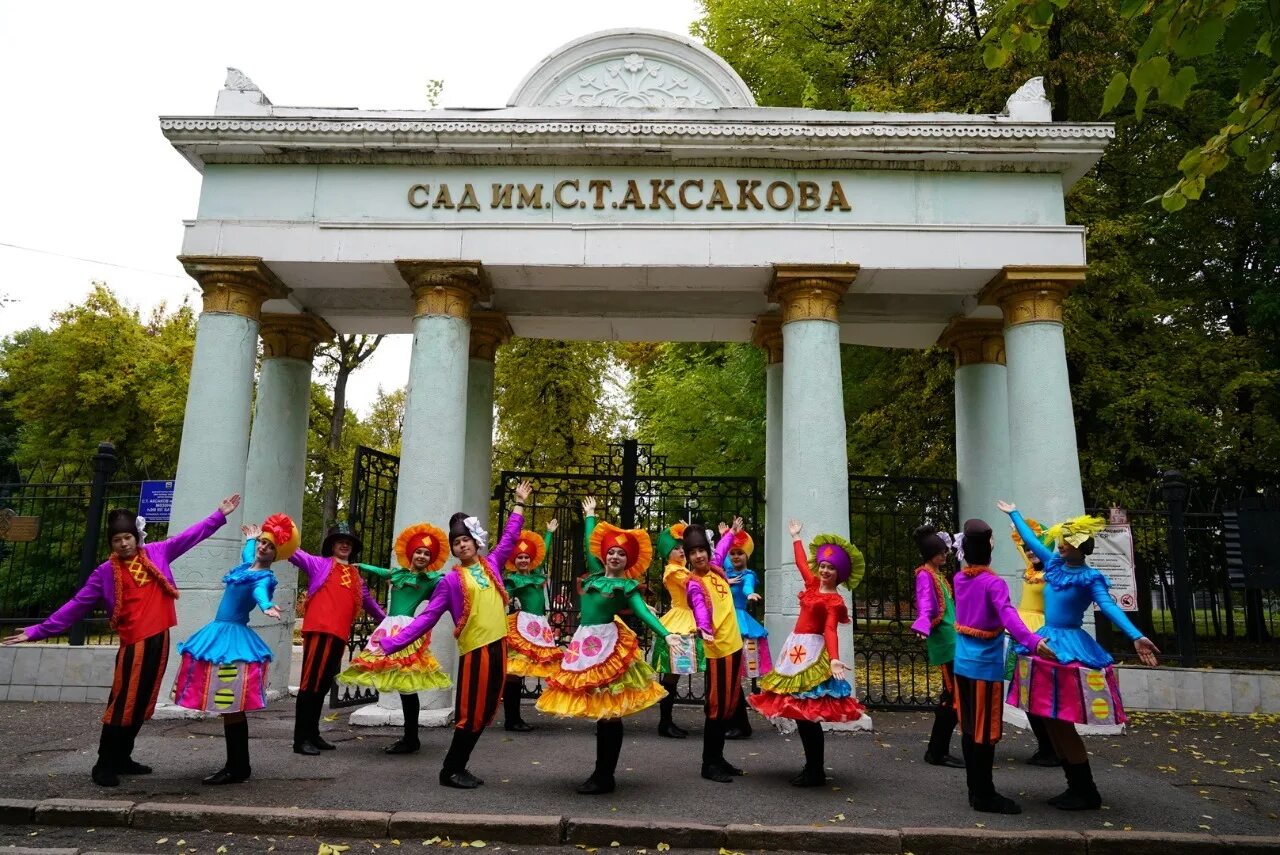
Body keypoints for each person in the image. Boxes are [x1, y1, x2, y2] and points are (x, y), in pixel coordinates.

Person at [4, 495, 240, 787]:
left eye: (127, 537)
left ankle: (123, 758)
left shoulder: (158, 552)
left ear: (136, 537)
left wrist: (218, 515)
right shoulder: (104, 573)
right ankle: (103, 764)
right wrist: (37, 630)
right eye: (117, 539)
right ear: (111, 543)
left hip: (159, 640)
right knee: (122, 704)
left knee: (143, 702)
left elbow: (190, 536)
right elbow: (77, 605)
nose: (124, 543)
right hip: (134, 646)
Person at [999, 501, 1161, 810]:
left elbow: (1110, 607)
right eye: (1059, 543)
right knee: (1048, 716)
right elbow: (1032, 541)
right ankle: (1075, 785)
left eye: (1064, 543)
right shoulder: (1054, 565)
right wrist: (1015, 513)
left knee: (1061, 720)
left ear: (1079, 547)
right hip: (1047, 640)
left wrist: (1136, 636)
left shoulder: (1091, 578)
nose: (1058, 547)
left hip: (1068, 646)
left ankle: (1085, 789)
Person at [375, 482, 532, 789]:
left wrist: (519, 504)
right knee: (470, 712)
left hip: (500, 647)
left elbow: (511, 536)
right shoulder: (449, 581)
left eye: (466, 539)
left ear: (475, 541)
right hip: (476, 652)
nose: (461, 545)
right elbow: (427, 618)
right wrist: (393, 643)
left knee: (487, 712)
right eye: (456, 542)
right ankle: (451, 769)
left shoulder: (493, 566)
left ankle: (458, 766)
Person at [535, 498, 676, 794]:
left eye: (620, 554)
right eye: (611, 552)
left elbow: (640, 612)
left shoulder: (627, 587)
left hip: (607, 648)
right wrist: (590, 516)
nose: (614, 556)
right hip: (583, 646)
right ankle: (602, 773)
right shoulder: (594, 578)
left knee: (610, 713)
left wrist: (666, 634)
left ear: (627, 561)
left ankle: (604, 774)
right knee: (600, 713)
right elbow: (589, 546)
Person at [172, 514, 294, 784]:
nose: (263, 548)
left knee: (232, 703)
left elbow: (261, 593)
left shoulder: (262, 577)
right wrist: (251, 540)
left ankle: (237, 766)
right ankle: (237, 765)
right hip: (219, 632)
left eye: (269, 546)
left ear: (277, 554)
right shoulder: (247, 565)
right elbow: (248, 553)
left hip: (232, 636)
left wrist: (266, 606)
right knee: (228, 704)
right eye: (263, 543)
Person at [950, 517, 1055, 814]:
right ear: (988, 550)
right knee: (985, 731)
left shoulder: (960, 579)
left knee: (969, 729)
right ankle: (984, 795)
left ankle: (975, 790)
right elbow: (1009, 617)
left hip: (962, 665)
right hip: (984, 668)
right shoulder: (993, 582)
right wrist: (1034, 642)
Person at [749, 520, 866, 787]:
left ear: (840, 573)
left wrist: (835, 658)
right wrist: (796, 538)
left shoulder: (834, 601)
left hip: (811, 654)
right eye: (823, 566)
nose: (824, 570)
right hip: (795, 650)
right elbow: (803, 564)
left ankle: (816, 770)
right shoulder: (812, 586)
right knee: (801, 714)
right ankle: (813, 768)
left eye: (830, 567)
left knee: (808, 713)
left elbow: (830, 631)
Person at [338, 522, 452, 754]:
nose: (421, 555)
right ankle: (410, 738)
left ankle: (411, 738)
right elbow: (379, 571)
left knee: (407, 685)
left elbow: (447, 587)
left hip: (407, 631)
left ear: (430, 559)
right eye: (419, 551)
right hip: (388, 628)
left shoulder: (431, 580)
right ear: (411, 553)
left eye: (426, 554)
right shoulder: (396, 574)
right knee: (401, 684)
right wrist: (357, 565)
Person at [289, 521, 386, 755]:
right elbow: (292, 552)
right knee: (310, 685)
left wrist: (391, 622)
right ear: (331, 545)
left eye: (349, 542)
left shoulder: (356, 577)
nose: (344, 544)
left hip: (339, 636)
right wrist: (275, 533)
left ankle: (313, 734)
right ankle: (301, 739)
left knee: (322, 686)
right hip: (320, 631)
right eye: (340, 540)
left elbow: (370, 604)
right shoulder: (318, 563)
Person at [684, 519, 740, 783]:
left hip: (735, 645)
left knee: (729, 706)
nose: (698, 556)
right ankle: (709, 763)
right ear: (688, 557)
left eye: (701, 550)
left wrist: (730, 533)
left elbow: (722, 550)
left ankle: (719, 757)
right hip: (718, 650)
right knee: (717, 707)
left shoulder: (716, 568)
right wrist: (704, 627)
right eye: (692, 553)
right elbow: (699, 607)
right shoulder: (694, 583)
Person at [1008, 517, 1061, 767]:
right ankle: (1046, 745)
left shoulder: (1052, 573)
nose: (1030, 552)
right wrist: (1017, 524)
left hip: (1040, 634)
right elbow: (1024, 544)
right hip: (1022, 634)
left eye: (1035, 548)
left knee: (1040, 693)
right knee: (1026, 693)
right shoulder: (1031, 570)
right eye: (1027, 549)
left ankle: (1053, 747)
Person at [910, 524, 963, 769]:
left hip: (952, 639)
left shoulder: (937, 574)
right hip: (945, 641)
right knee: (951, 695)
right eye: (940, 552)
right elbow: (925, 604)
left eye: (945, 551)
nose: (945, 555)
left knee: (952, 694)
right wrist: (922, 625)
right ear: (929, 552)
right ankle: (937, 751)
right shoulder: (924, 574)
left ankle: (938, 749)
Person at [502, 518, 562, 732]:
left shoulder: (537, 576)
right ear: (514, 560)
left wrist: (549, 534)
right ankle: (512, 719)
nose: (524, 560)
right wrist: (506, 597)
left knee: (522, 672)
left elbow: (543, 554)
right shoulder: (513, 580)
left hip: (538, 627)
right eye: (520, 557)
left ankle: (514, 719)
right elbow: (505, 596)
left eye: (527, 557)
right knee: (515, 673)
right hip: (522, 626)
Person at [719, 521, 771, 740]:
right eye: (733, 553)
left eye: (740, 553)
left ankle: (740, 724)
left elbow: (749, 586)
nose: (736, 557)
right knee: (728, 678)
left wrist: (750, 594)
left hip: (739, 623)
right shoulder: (726, 570)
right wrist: (725, 536)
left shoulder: (748, 574)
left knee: (734, 678)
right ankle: (734, 722)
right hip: (725, 622)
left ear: (747, 555)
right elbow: (719, 557)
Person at [649, 521, 701, 739]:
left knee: (677, 672)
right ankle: (665, 721)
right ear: (667, 553)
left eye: (683, 547)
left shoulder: (682, 569)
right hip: (681, 619)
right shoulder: (673, 571)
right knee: (672, 673)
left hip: (690, 618)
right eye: (676, 548)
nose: (681, 551)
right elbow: (696, 583)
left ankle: (667, 721)